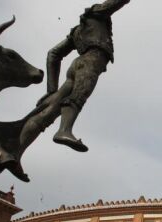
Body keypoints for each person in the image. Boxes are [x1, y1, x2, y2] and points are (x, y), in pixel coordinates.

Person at [41, 0, 131, 152]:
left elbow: (53, 54)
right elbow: (114, 3)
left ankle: (25, 137)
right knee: (78, 96)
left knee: (52, 107)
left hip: (76, 65)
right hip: (91, 62)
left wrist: (52, 90)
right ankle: (64, 131)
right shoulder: (97, 13)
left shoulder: (77, 31)